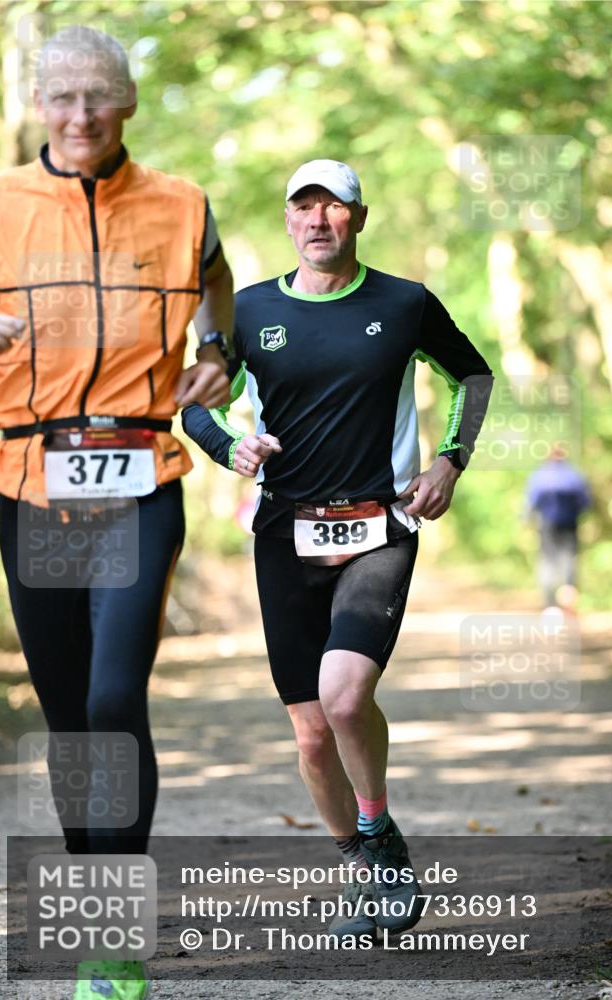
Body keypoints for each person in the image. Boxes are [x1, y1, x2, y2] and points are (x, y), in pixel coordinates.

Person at [183, 159, 494, 940]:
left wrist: (449, 461)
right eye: (303, 208)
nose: (318, 221)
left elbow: (472, 376)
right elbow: (192, 408)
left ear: (359, 217)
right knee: (311, 732)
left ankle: (379, 831)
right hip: (284, 534)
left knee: (345, 695)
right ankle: (359, 865)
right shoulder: (249, 310)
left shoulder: (404, 302)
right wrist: (234, 449)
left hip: (378, 529)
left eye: (335, 207)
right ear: (288, 221)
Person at [0, 26, 232, 999]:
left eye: (98, 96)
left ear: (126, 101)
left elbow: (221, 295)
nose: (80, 116)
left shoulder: (181, 205)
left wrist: (220, 351)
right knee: (68, 723)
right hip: (33, 484)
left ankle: (114, 942)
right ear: (37, 107)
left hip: (140, 476)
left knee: (109, 701)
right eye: (62, 98)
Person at [526, 446, 591, 610]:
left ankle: (549, 603)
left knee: (547, 561)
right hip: (569, 523)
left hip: (547, 525)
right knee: (569, 560)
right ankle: (568, 603)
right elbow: (585, 502)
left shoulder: (540, 475)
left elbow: (531, 502)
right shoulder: (574, 475)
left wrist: (527, 520)